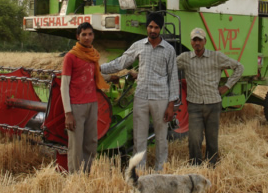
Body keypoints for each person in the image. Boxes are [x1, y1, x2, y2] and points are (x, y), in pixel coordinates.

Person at [100, 12, 179, 171]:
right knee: (139, 138)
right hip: (141, 97)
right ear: (147, 27)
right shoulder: (138, 46)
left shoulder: (169, 50)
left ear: (160, 28)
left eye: (156, 27)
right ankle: (139, 171)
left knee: (161, 138)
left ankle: (160, 170)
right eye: (150, 26)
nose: (153, 30)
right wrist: (98, 68)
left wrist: (171, 105)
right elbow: (121, 62)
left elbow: (173, 78)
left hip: (160, 98)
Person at [177, 27, 244, 166]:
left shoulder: (216, 57)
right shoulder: (185, 58)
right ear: (190, 42)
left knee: (212, 138)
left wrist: (227, 86)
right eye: (194, 40)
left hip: (213, 104)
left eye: (200, 40)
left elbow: (239, 67)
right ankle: (195, 165)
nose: (197, 43)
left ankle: (212, 165)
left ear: (205, 41)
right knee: (194, 138)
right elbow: (167, 67)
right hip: (194, 105)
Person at [61, 22, 110, 173]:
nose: (87, 37)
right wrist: (68, 113)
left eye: (90, 34)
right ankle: (75, 178)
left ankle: (86, 174)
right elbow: (64, 85)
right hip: (76, 106)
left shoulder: (93, 55)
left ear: (93, 36)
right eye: (84, 34)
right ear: (78, 36)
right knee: (76, 144)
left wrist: (110, 77)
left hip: (92, 103)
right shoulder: (71, 57)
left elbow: (94, 77)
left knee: (91, 142)